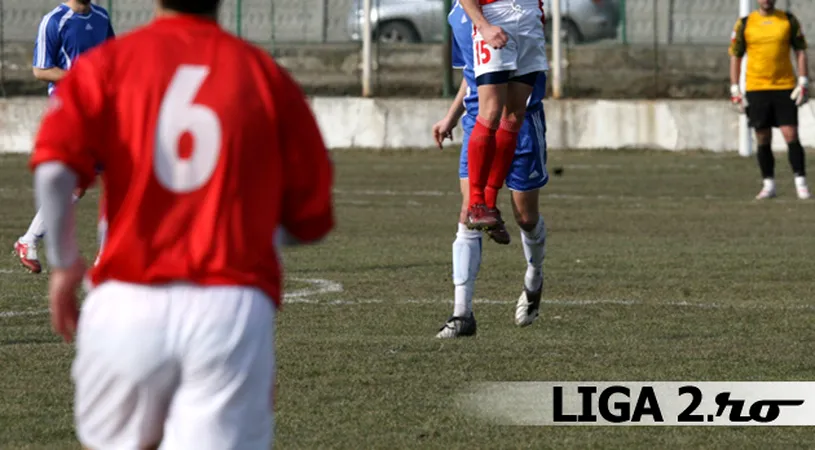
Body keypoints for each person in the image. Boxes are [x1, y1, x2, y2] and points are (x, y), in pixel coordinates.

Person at [29, 0, 334, 448]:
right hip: (228, 306)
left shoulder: (111, 63)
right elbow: (312, 215)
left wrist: (64, 265)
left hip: (128, 300)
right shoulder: (262, 74)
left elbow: (53, 170)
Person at [433, 0, 548, 338]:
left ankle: (534, 275)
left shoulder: (518, 12)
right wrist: (454, 115)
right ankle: (461, 314)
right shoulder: (460, 15)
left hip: (524, 123)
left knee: (526, 217)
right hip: (477, 123)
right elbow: (476, 71)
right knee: (469, 209)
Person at [14, 0, 115, 274]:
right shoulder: (54, 21)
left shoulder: (102, 17)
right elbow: (40, 69)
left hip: (97, 110)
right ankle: (104, 258)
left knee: (85, 184)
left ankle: (28, 240)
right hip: (70, 110)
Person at [456, 0, 548, 235]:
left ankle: (489, 201)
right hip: (495, 15)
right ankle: (477, 203)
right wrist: (484, 26)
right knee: (490, 112)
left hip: (529, 16)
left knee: (515, 116)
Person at [729, 0, 810, 200]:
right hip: (756, 88)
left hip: (784, 87)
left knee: (790, 134)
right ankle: (768, 184)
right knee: (762, 137)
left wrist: (803, 81)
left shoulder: (788, 20)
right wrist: (734, 88)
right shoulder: (745, 23)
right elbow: (735, 56)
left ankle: (801, 183)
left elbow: (800, 51)